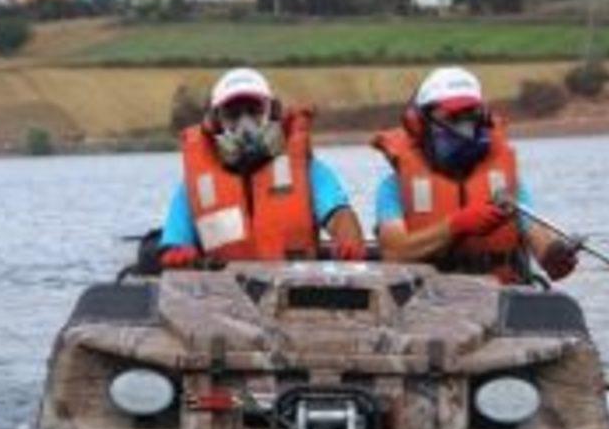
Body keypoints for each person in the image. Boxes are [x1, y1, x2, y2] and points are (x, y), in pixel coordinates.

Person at [371, 67, 579, 285]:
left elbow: (535, 233)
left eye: (471, 114)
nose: (465, 124)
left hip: (503, 294)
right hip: (427, 297)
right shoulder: (393, 187)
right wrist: (457, 226)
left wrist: (555, 255)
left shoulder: (505, 183)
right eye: (453, 116)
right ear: (421, 122)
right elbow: (394, 252)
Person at [158, 68, 365, 268]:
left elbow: (339, 215)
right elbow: (175, 243)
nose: (244, 124)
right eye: (232, 114)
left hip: (296, 283)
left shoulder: (307, 171)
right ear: (216, 122)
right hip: (222, 286)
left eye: (254, 111)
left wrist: (348, 240)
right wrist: (178, 255)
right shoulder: (194, 188)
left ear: (272, 113)